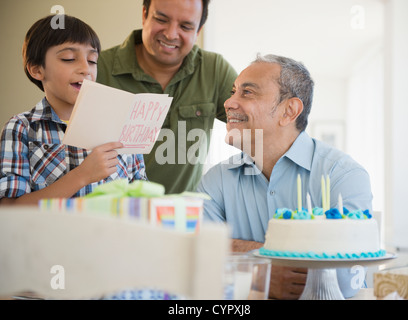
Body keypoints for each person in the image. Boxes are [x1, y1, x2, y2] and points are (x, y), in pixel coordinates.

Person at [197, 54, 373, 299]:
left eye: (247, 93)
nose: (228, 102)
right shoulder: (215, 181)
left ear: (289, 111)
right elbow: (196, 254)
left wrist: (235, 252)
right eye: (233, 91)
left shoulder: (342, 176)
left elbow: (344, 279)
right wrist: (264, 272)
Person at [0, 14, 146, 206]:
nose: (86, 68)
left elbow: (142, 200)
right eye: (69, 58)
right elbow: (9, 211)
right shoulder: (22, 128)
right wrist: (82, 175)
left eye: (92, 60)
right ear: (37, 69)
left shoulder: (122, 124)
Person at [97, 0, 237, 194]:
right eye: (161, 19)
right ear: (144, 14)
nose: (171, 34)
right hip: (109, 214)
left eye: (185, 26)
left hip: (179, 216)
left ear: (198, 30)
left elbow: (256, 126)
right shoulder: (98, 68)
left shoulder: (214, 70)